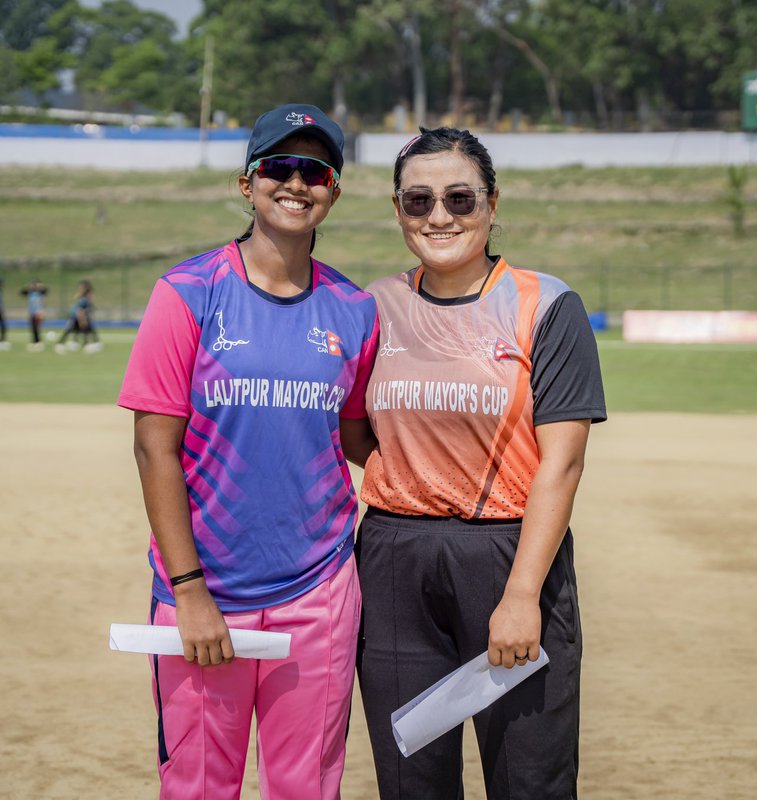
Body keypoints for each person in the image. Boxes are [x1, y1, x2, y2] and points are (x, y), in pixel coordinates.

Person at [117, 103, 379, 800]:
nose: (297, 184)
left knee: (306, 788)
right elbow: (153, 450)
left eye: (315, 170)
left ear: (334, 190)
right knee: (199, 785)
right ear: (248, 184)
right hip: (208, 592)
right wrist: (190, 590)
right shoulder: (189, 293)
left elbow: (358, 439)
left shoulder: (355, 310)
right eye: (279, 167)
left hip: (319, 590)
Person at [353, 127, 606, 799]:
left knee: (529, 779)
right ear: (398, 209)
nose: (440, 216)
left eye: (460, 199)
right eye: (419, 201)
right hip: (392, 560)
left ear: (493, 205)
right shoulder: (373, 307)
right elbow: (353, 431)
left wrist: (522, 595)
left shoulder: (545, 304)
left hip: (507, 554)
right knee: (412, 780)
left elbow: (563, 465)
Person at [55, 281, 101, 353]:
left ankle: (85, 344)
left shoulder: (85, 299)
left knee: (83, 329)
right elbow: (80, 311)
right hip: (76, 316)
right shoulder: (83, 300)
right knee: (72, 329)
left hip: (79, 316)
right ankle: (60, 343)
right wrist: (82, 320)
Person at [20, 278, 48, 352]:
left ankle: (38, 342)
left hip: (38, 313)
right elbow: (22, 292)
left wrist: (40, 286)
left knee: (36, 328)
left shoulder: (39, 293)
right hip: (32, 312)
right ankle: (35, 342)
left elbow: (46, 291)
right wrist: (30, 287)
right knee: (32, 328)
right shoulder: (30, 292)